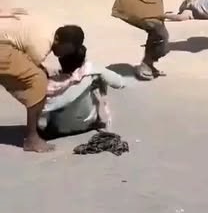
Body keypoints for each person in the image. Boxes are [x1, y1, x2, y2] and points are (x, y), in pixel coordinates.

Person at [0, 16, 86, 152]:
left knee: (39, 76)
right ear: (57, 39)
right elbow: (32, 68)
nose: (62, 55)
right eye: (64, 50)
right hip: (2, 45)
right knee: (37, 81)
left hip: (6, 41)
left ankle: (35, 128)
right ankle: (32, 139)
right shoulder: (42, 43)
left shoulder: (51, 29)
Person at [39, 26, 125, 137]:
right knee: (97, 83)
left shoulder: (51, 84)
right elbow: (119, 83)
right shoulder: (91, 72)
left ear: (61, 60)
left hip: (58, 129)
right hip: (85, 125)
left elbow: (43, 109)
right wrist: (99, 74)